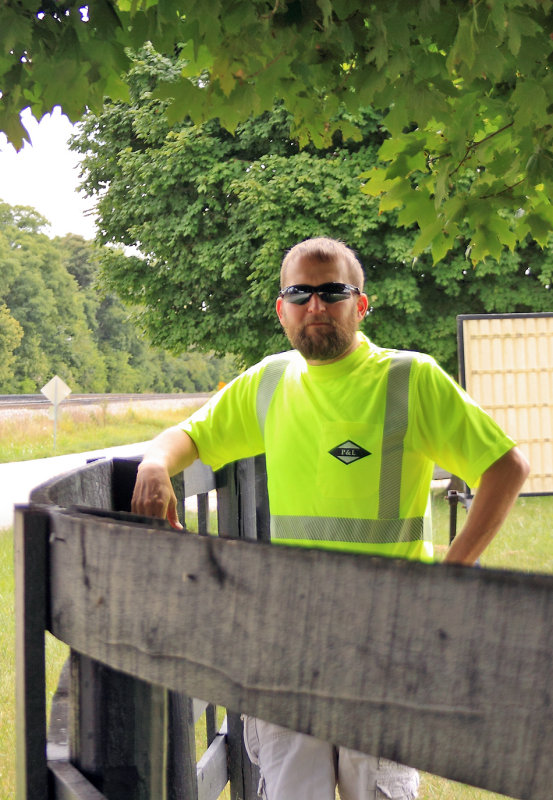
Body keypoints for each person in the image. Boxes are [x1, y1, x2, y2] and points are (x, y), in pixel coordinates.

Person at [131, 236, 529, 800]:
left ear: (360, 304)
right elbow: (191, 435)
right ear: (281, 308)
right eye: (299, 293)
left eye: (332, 291)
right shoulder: (269, 382)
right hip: (286, 646)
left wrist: (450, 574)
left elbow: (507, 467)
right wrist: (154, 462)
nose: (314, 306)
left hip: (386, 645)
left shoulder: (410, 379)